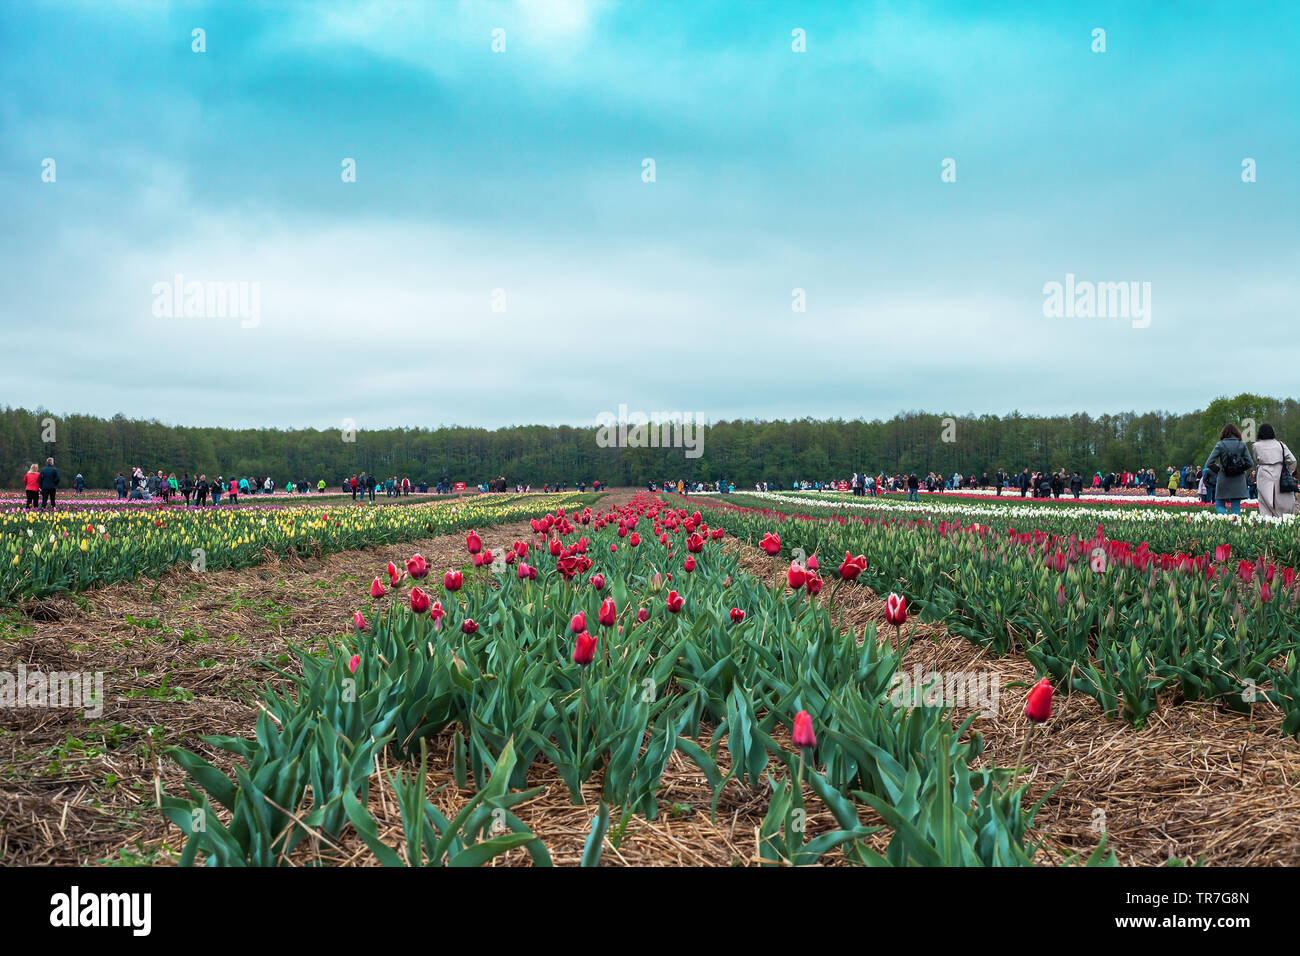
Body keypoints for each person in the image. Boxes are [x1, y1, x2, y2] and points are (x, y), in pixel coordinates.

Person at [1204, 423, 1254, 516]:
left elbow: (1209, 463)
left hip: (1224, 478)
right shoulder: (1242, 445)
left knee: (1219, 504)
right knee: (1236, 507)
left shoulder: (1220, 445)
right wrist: (1240, 469)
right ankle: (1235, 526)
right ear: (1237, 433)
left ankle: (1224, 521)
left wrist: (1219, 470)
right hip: (1238, 479)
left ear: (1224, 433)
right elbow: (1250, 463)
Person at [1252, 423, 1297, 518]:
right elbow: (1292, 460)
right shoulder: (1280, 444)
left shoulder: (1256, 446)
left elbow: (1256, 460)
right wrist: (1288, 471)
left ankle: (1268, 521)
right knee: (1281, 499)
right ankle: (1283, 519)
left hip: (1263, 474)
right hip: (1280, 472)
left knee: (1265, 501)